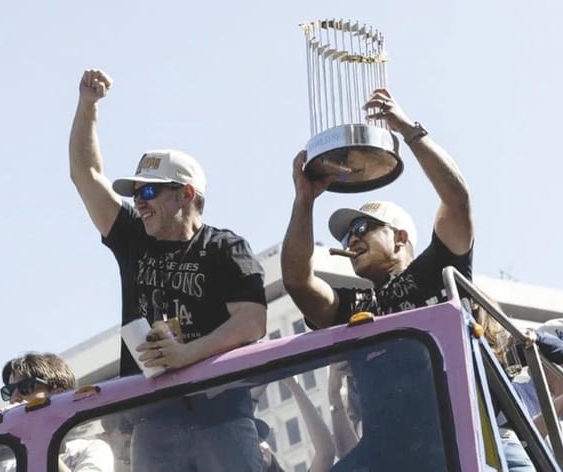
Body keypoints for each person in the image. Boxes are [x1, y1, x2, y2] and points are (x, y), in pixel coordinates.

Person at [69, 69, 267, 471]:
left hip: (222, 417)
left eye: (148, 191)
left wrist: (186, 354)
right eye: (136, 194)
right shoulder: (132, 238)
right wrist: (87, 106)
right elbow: (86, 176)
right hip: (154, 419)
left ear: (186, 193)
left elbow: (252, 322)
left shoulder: (226, 247)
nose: (138, 203)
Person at [281, 88, 473, 471]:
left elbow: (457, 202)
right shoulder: (355, 306)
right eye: (345, 235)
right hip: (385, 454)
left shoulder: (437, 270)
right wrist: (304, 199)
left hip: (453, 437)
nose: (351, 239)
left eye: (363, 227)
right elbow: (298, 282)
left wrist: (409, 132)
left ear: (400, 237)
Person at [0, 352, 114, 472]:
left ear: (58, 395)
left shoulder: (92, 449)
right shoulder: (10, 466)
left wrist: (39, 445)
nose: (14, 398)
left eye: (25, 387)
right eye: (9, 391)